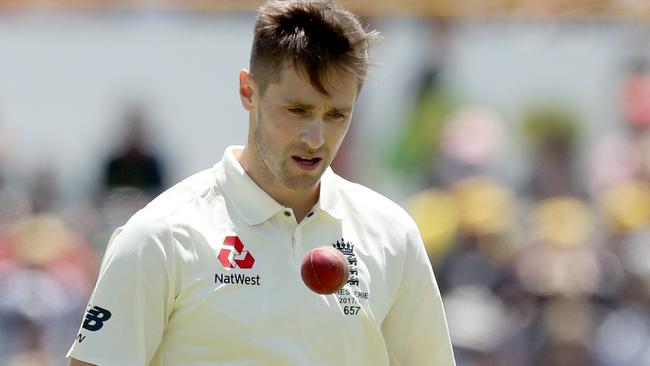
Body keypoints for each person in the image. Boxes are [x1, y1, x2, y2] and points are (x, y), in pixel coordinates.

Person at [67, 0, 456, 365]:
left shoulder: (392, 233)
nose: (316, 137)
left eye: (336, 115)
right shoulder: (160, 236)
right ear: (248, 91)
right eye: (297, 110)